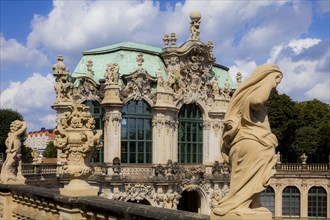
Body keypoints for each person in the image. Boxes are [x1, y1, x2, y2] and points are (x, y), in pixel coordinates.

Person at [213, 63, 283, 216]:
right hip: (253, 142)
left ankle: (253, 202)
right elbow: (257, 101)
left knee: (254, 176)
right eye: (277, 81)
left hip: (255, 142)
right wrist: (271, 79)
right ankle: (239, 204)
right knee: (248, 177)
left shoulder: (245, 95)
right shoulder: (254, 95)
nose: (276, 87)